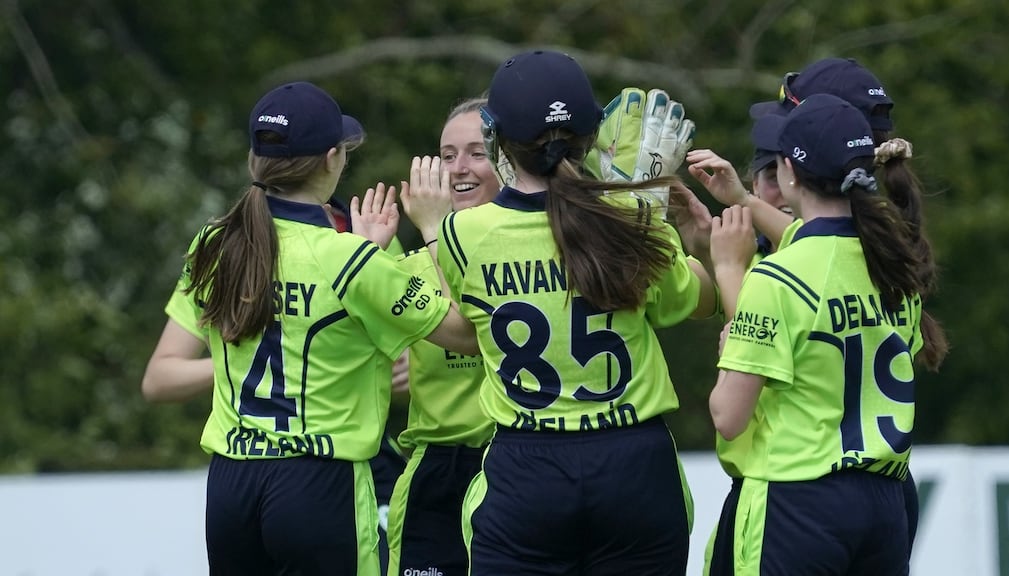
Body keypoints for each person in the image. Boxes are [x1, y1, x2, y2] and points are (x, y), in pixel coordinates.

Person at [141, 80, 477, 576]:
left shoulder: (215, 241)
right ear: (331, 159)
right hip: (319, 482)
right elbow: (462, 334)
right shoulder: (349, 257)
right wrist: (431, 232)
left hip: (232, 487)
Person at [434, 50, 718, 575]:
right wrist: (652, 214)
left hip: (527, 467)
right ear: (592, 134)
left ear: (496, 138)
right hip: (634, 464)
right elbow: (700, 299)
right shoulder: (632, 217)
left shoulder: (459, 234)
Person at [691, 57, 948, 557]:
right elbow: (817, 245)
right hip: (883, 497)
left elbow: (728, 414)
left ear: (789, 169)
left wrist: (728, 273)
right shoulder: (896, 262)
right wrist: (741, 198)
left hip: (798, 499)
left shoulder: (778, 275)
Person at [384, 98, 500, 576]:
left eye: (477, 152)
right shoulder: (407, 267)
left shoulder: (543, 253)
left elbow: (476, 328)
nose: (458, 168)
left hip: (514, 459)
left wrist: (435, 230)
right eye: (447, 155)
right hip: (437, 472)